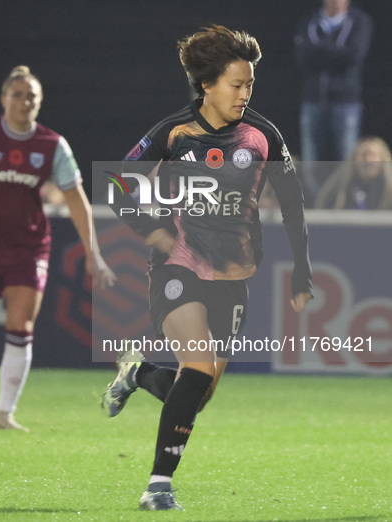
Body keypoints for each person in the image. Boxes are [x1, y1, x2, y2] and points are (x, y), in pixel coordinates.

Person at [101, 26, 313, 511]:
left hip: (234, 279)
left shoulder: (262, 136)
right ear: (208, 85)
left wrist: (301, 271)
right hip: (177, 267)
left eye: (250, 85)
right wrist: (153, 231)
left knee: (198, 394)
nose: (244, 93)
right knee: (195, 368)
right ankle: (158, 487)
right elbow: (118, 184)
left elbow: (293, 203)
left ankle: (137, 373)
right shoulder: (174, 132)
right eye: (236, 84)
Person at [0, 65, 115, 432]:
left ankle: (4, 415)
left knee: (21, 325)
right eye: (17, 94)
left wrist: (93, 252)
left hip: (29, 247)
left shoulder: (52, 145)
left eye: (31, 95)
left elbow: (76, 199)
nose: (24, 101)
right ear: (3, 100)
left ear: (40, 102)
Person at [294, 0, 372, 203]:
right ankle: (319, 203)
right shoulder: (310, 22)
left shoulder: (359, 22)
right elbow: (302, 58)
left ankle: (343, 203)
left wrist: (319, 51)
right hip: (313, 100)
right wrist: (336, 52)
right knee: (311, 161)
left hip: (346, 102)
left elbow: (354, 56)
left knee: (346, 157)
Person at [315, 136, 392, 210]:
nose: (368, 160)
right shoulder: (338, 192)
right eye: (363, 155)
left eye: (372, 155)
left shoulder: (389, 191)